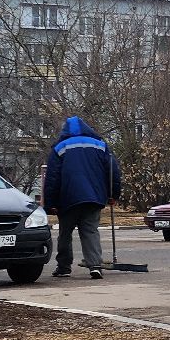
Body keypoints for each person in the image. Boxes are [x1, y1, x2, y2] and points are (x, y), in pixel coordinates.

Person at [43, 115, 120, 279]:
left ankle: (64, 267)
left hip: (67, 199)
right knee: (90, 231)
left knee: (65, 233)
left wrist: (51, 203)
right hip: (94, 197)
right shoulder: (100, 145)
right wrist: (113, 195)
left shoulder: (60, 148)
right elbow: (113, 171)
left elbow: (52, 178)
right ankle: (95, 265)